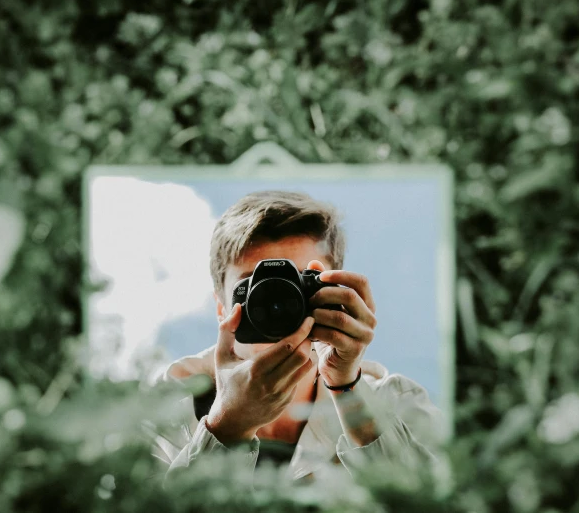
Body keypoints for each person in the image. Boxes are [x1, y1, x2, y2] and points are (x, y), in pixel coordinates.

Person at [152, 190, 445, 483]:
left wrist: (348, 386)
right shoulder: (164, 409)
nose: (276, 303)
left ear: (336, 294)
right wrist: (225, 427)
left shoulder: (395, 403)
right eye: (255, 287)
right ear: (221, 307)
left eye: (298, 284)